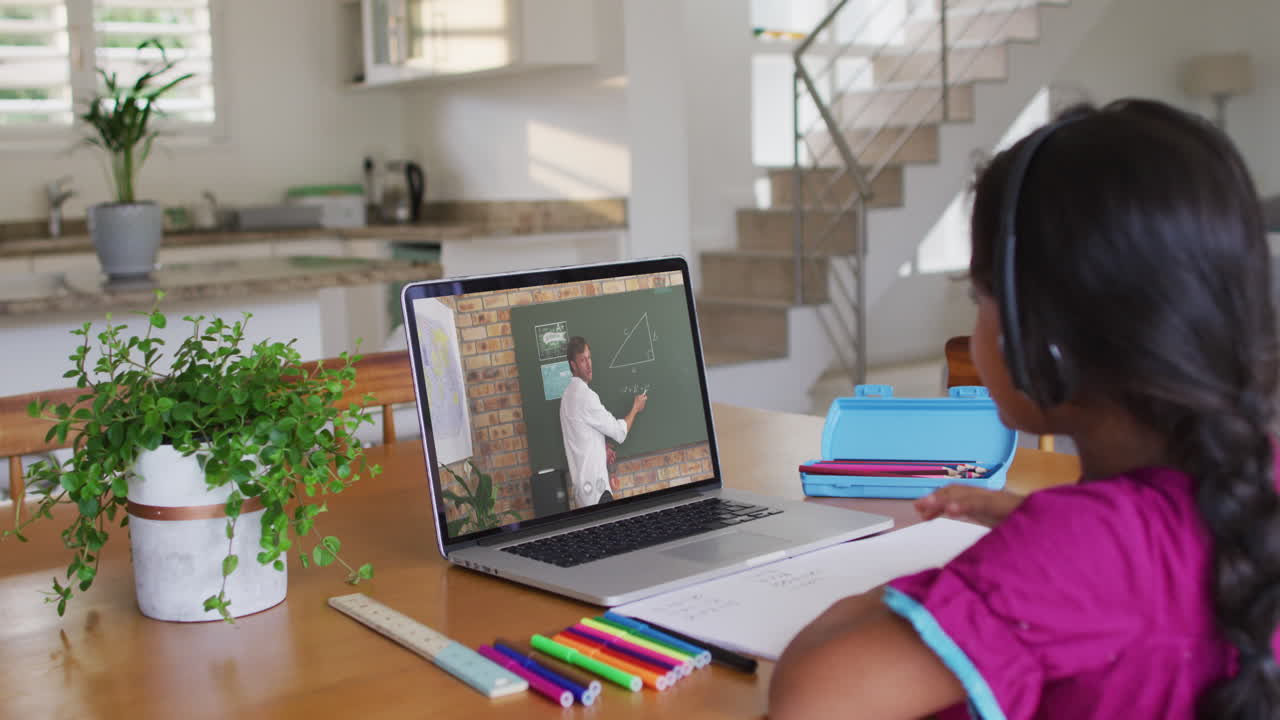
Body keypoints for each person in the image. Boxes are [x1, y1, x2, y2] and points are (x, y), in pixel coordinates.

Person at [769, 99, 1280, 719]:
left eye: (980, 292)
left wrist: (978, 579)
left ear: (1043, 331)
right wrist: (1039, 531)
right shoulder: (1250, 488)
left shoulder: (1082, 551)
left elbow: (813, 702)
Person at [560, 335, 647, 508]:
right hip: (598, 493)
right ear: (573, 365)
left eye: (589, 358)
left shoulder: (566, 397)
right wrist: (635, 408)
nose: (588, 364)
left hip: (583, 495)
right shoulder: (586, 397)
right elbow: (619, 433)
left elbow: (581, 437)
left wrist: (601, 448)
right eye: (582, 360)